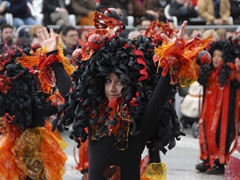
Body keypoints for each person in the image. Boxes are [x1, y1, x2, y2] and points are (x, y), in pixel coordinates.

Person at [51, 8, 212, 179]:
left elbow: (161, 94)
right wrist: (52, 56)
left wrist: (173, 58)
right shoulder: (95, 111)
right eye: (108, 80)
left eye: (120, 82)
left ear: (132, 86)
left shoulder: (140, 120)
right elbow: (72, 94)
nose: (112, 88)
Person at [0, 27, 74, 179]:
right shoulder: (25, 88)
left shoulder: (13, 89)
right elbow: (42, 109)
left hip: (15, 139)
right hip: (29, 141)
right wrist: (57, 101)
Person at [196, 40, 240, 174]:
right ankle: (209, 159)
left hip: (224, 114)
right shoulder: (209, 73)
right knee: (206, 133)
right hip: (208, 113)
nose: (215, 58)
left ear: (224, 58)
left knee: (220, 134)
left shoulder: (230, 74)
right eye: (213, 55)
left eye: (219, 56)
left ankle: (219, 162)